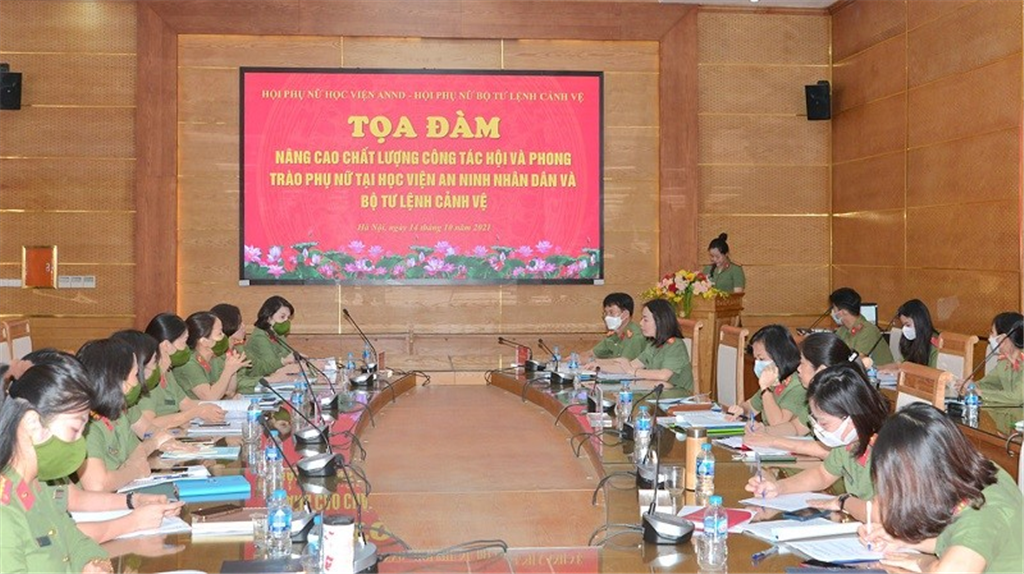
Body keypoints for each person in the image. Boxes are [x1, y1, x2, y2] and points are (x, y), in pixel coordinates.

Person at [7, 351, 183, 545]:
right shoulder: (11, 487)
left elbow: (74, 499)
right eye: (74, 429)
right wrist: (132, 522)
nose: (78, 443)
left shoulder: (45, 460)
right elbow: (57, 540)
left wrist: (134, 500)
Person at [859, 403, 1023, 573]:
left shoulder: (983, 510)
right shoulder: (982, 473)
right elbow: (960, 538)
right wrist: (903, 541)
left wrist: (922, 562)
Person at [0, 351, 112, 574]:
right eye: (74, 430)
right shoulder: (5, 508)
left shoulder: (41, 484)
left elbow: (73, 539)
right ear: (33, 424)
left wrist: (93, 563)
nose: (79, 443)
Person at [746, 363, 888, 523]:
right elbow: (822, 474)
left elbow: (877, 514)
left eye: (824, 423)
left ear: (852, 418)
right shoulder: (846, 443)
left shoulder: (887, 452)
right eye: (815, 421)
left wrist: (843, 502)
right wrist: (778, 487)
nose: (819, 429)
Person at [76, 339, 184, 492]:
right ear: (120, 381)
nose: (137, 382)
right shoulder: (86, 425)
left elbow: (136, 450)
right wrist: (134, 471)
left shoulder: (117, 412)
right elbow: (97, 485)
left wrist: (149, 449)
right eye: (135, 374)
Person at [744, 333, 860, 459]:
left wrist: (773, 441)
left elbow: (832, 452)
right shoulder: (817, 394)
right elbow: (796, 427)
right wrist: (764, 431)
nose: (798, 369)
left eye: (803, 363)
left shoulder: (840, 398)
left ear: (821, 370)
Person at [586, 298, 693, 393]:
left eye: (645, 320)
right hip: (659, 395)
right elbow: (630, 366)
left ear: (660, 321)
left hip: (678, 397)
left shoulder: (676, 345)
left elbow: (663, 375)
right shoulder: (653, 344)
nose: (641, 323)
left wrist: (633, 371)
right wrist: (599, 368)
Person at [143, 313, 225, 426]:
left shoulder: (167, 373)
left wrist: (214, 408)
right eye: (184, 341)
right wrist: (195, 413)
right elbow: (148, 424)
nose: (187, 347)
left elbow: (186, 403)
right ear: (166, 345)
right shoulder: (148, 376)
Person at [725, 325, 805, 428]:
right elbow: (750, 406)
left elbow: (778, 424)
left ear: (779, 356)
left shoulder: (798, 384)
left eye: (761, 359)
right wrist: (741, 410)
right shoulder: (775, 380)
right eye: (756, 359)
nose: (757, 364)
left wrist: (765, 389)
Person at [173, 311, 250, 401]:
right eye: (219, 333)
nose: (224, 337)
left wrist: (233, 370)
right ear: (204, 341)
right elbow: (210, 397)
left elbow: (229, 392)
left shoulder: (213, 358)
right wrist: (228, 370)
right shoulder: (188, 364)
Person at [968, 312, 1024, 407]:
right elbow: (989, 384)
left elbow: (1017, 397)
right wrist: (970, 386)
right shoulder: (1004, 362)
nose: (989, 338)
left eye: (992, 333)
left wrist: (980, 393)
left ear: (1003, 338)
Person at [829, 287, 894, 365]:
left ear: (844, 311)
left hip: (880, 371)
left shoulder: (868, 331)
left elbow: (856, 361)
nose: (832, 312)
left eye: (833, 308)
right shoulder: (842, 330)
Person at [877, 299, 939, 372]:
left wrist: (899, 373)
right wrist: (878, 369)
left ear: (919, 321)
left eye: (908, 325)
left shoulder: (935, 344)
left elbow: (933, 373)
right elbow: (900, 365)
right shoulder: (911, 340)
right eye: (903, 325)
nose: (905, 329)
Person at [244, 296, 298, 380]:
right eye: (282, 317)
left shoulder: (278, 333)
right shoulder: (259, 336)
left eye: (288, 318)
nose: (286, 321)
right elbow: (271, 365)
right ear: (269, 317)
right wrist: (286, 360)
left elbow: (287, 354)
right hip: (260, 380)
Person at [587, 292, 647, 362]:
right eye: (605, 313)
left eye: (611, 312)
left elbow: (623, 364)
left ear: (625, 314)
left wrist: (595, 361)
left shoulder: (635, 336)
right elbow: (591, 354)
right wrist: (577, 359)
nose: (607, 317)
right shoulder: (613, 334)